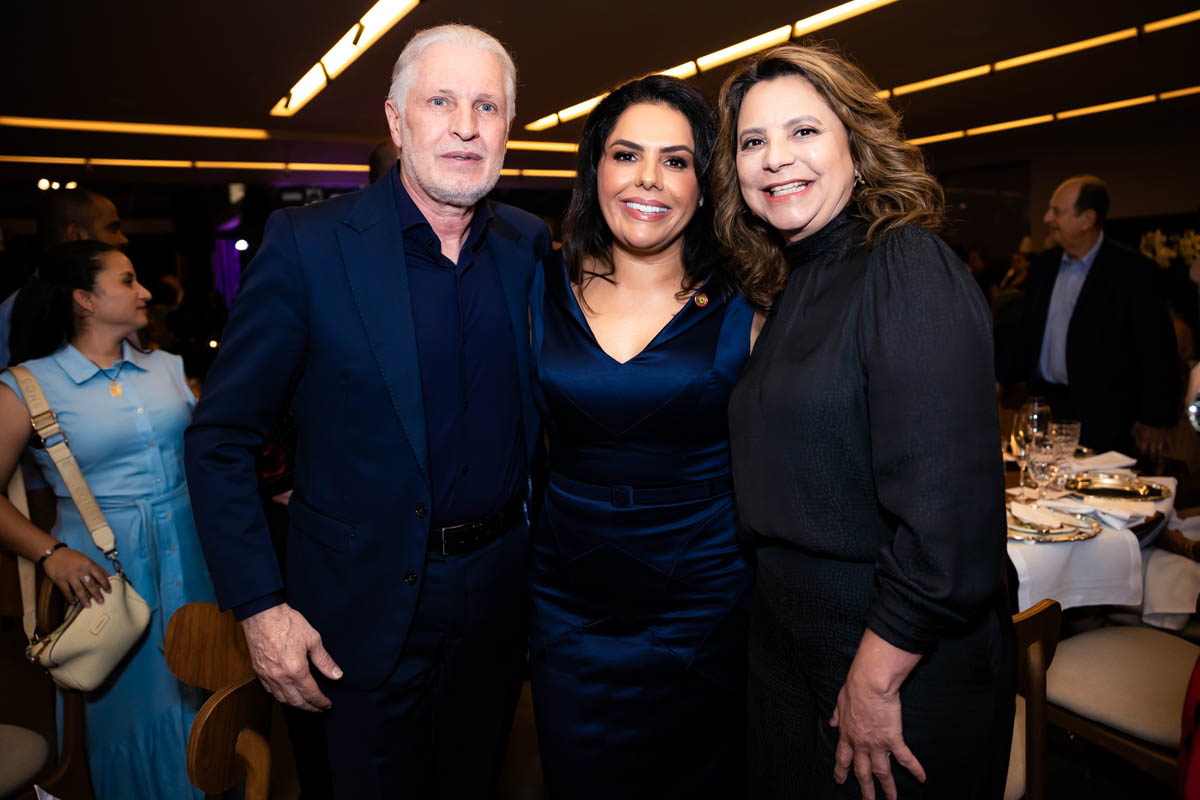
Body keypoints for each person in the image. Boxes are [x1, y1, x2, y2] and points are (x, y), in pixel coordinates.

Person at [184, 24, 551, 797]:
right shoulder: (309, 246)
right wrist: (258, 607)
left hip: (496, 606)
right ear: (395, 120)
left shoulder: (528, 246)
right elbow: (220, 438)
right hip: (350, 618)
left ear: (508, 129)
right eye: (441, 101)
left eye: (488, 106)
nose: (465, 125)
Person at [714, 44, 1015, 799]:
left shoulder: (903, 264)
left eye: (804, 132)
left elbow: (948, 523)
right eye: (754, 142)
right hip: (790, 639)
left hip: (892, 658)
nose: (776, 159)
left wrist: (874, 684)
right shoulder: (792, 284)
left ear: (856, 141)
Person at [528, 75, 760, 798]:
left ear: (704, 181)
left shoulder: (751, 303)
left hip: (704, 603)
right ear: (594, 166)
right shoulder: (535, 287)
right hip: (567, 605)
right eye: (627, 154)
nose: (649, 179)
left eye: (677, 160)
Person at [0, 240, 214, 799]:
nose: (145, 292)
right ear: (84, 299)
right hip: (103, 574)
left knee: (205, 686)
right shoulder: (29, 385)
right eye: (127, 281)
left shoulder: (167, 368)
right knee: (131, 710)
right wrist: (50, 553)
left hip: (193, 555)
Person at [996, 175, 1178, 460]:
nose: (1047, 218)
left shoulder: (1133, 272)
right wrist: (1000, 379)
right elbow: (1027, 333)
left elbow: (1156, 351)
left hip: (1107, 418)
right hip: (1048, 410)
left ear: (1087, 218)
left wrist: (1156, 419)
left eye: (1057, 211)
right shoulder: (1043, 267)